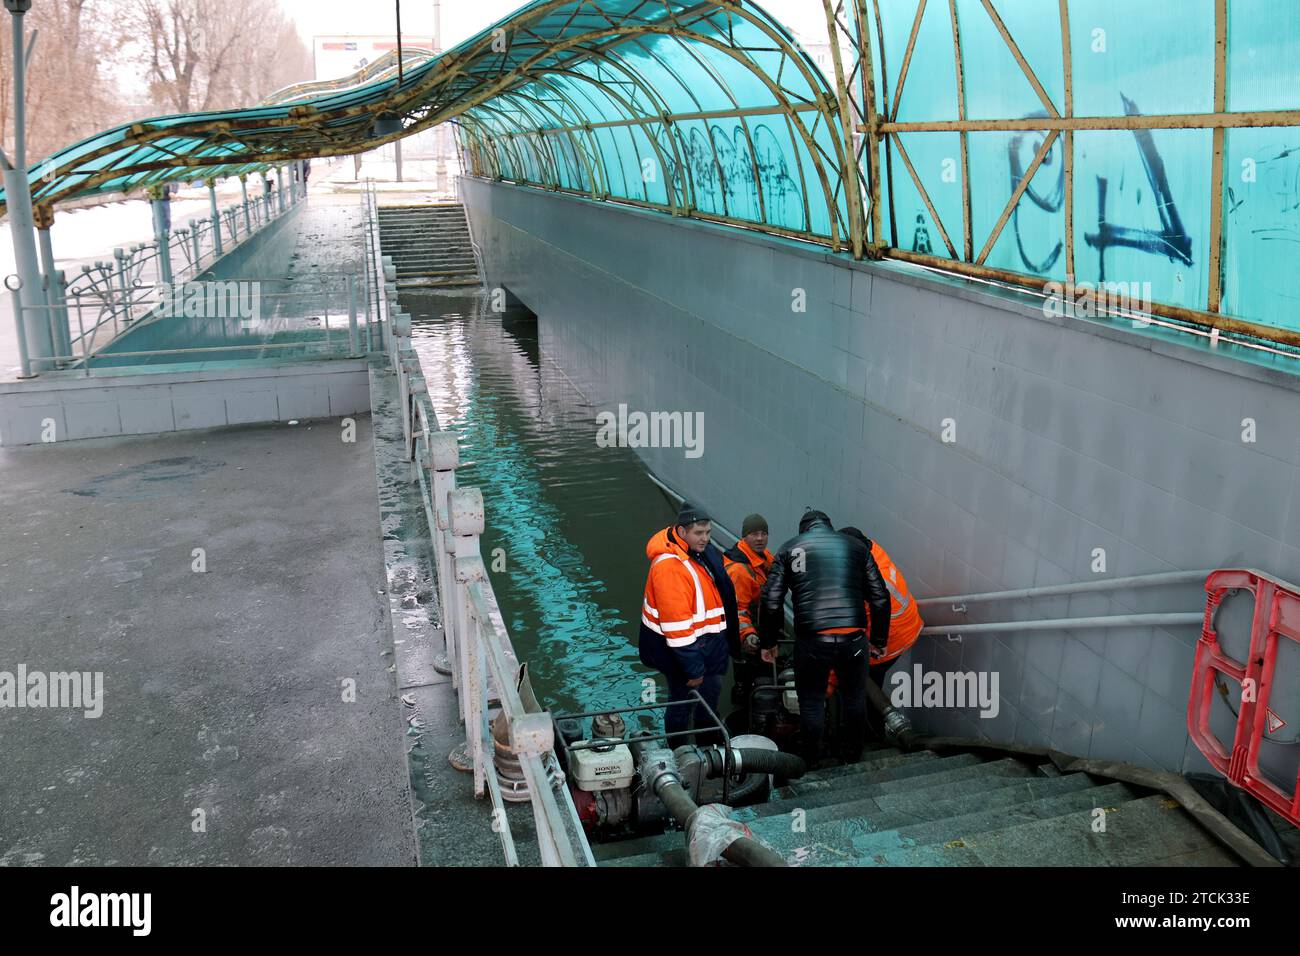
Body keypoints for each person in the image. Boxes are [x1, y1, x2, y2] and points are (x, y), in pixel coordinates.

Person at [759, 509, 890, 766]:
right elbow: (879, 597)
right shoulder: (856, 547)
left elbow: (771, 601)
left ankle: (812, 758)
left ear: (803, 530)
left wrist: (768, 642)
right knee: (854, 697)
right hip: (853, 639)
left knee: (811, 702)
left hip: (812, 640)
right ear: (829, 526)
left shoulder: (789, 549)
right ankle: (853, 754)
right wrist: (879, 640)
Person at [638, 503, 739, 744]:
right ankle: (680, 750)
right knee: (681, 705)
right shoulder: (669, 568)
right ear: (682, 532)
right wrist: (694, 670)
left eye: (708, 533)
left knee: (709, 700)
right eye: (699, 533)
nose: (705, 539)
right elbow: (677, 628)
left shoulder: (698, 553)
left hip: (710, 645)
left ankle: (709, 746)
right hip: (686, 654)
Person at [836, 527, 925, 739]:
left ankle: (869, 733)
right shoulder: (874, 549)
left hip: (890, 640)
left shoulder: (866, 579)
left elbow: (862, 613)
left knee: (864, 685)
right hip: (907, 626)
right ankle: (871, 728)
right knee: (871, 681)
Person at [723, 513, 774, 704]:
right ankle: (744, 706)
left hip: (759, 623)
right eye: (754, 534)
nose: (760, 538)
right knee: (747, 678)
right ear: (744, 536)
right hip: (747, 633)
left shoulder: (762, 556)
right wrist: (748, 635)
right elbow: (737, 610)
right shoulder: (739, 570)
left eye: (763, 533)